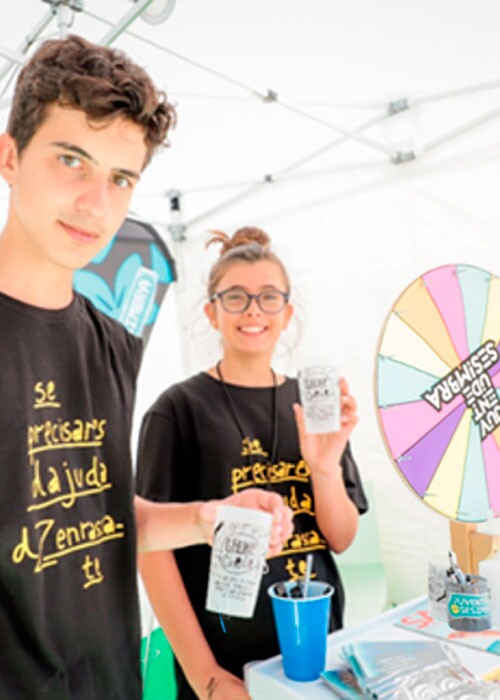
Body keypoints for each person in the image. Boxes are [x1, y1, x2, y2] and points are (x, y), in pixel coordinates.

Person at [0, 36, 293, 700]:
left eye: (121, 178)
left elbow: (96, 514)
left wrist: (205, 518)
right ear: (10, 157)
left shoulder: (113, 344)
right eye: (71, 160)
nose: (96, 203)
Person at [136, 226, 368, 700]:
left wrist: (324, 467)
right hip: (226, 665)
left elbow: (341, 539)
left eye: (268, 297)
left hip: (318, 651)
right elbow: (150, 549)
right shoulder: (177, 410)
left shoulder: (312, 404)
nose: (253, 310)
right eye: (236, 297)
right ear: (211, 311)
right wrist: (207, 677)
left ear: (287, 312)